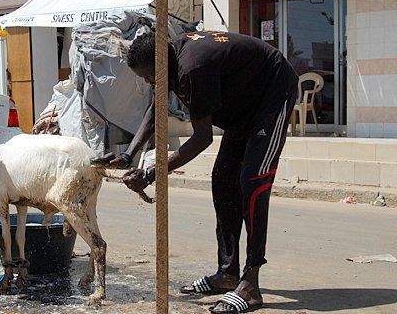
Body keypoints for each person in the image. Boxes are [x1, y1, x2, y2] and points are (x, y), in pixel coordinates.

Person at [100, 30, 298, 313]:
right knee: (223, 181)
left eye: (148, 76)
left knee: (252, 182)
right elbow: (155, 109)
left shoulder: (193, 67)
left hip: (272, 94)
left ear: (160, 66)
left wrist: (152, 173)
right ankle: (228, 273)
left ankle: (251, 284)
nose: (148, 82)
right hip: (242, 109)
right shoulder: (168, 56)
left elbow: (202, 138)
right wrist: (128, 155)